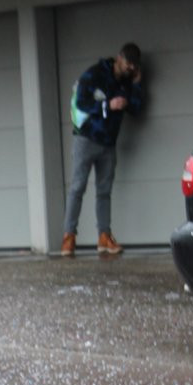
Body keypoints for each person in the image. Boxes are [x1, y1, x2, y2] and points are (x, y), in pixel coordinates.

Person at [60, 42, 143, 257]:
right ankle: (69, 237)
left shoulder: (127, 82)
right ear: (119, 58)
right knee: (77, 187)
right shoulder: (94, 74)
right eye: (127, 65)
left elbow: (136, 108)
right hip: (86, 139)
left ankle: (104, 237)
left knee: (104, 192)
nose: (129, 70)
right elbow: (81, 102)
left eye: (133, 68)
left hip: (109, 144)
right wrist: (108, 105)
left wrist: (137, 84)